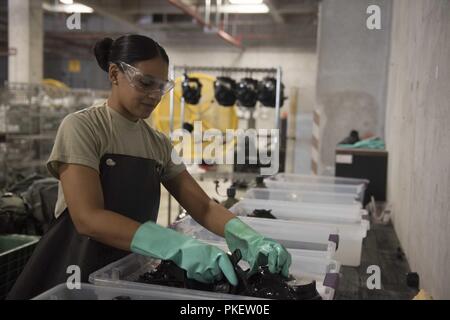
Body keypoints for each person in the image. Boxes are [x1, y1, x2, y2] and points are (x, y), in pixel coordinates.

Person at [7, 35, 291, 300]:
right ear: (115, 74)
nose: (155, 95)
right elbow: (87, 218)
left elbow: (203, 207)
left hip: (127, 271)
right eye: (145, 83)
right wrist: (175, 244)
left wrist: (246, 236)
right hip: (75, 271)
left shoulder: (159, 144)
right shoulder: (83, 127)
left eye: (161, 86)